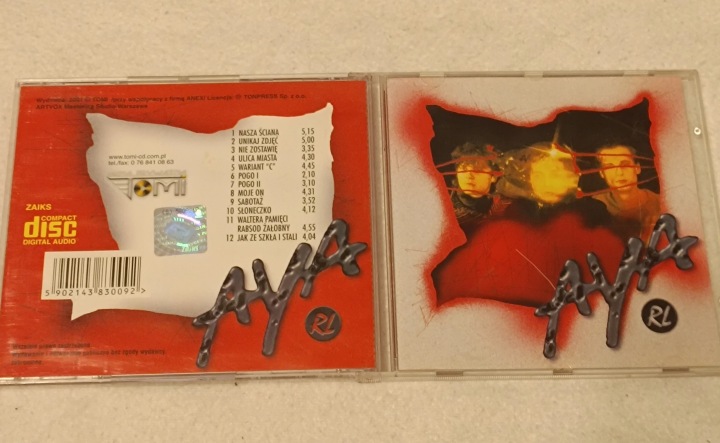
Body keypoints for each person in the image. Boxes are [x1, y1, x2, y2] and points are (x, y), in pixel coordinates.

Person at [592, 144, 661, 241]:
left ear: (637, 168)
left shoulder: (660, 203)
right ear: (602, 173)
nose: (619, 172)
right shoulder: (592, 207)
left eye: (625, 165)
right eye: (609, 167)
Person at [448, 142, 504, 226]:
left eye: (477, 170)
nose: (469, 176)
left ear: (494, 176)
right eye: (464, 169)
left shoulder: (505, 206)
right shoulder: (445, 210)